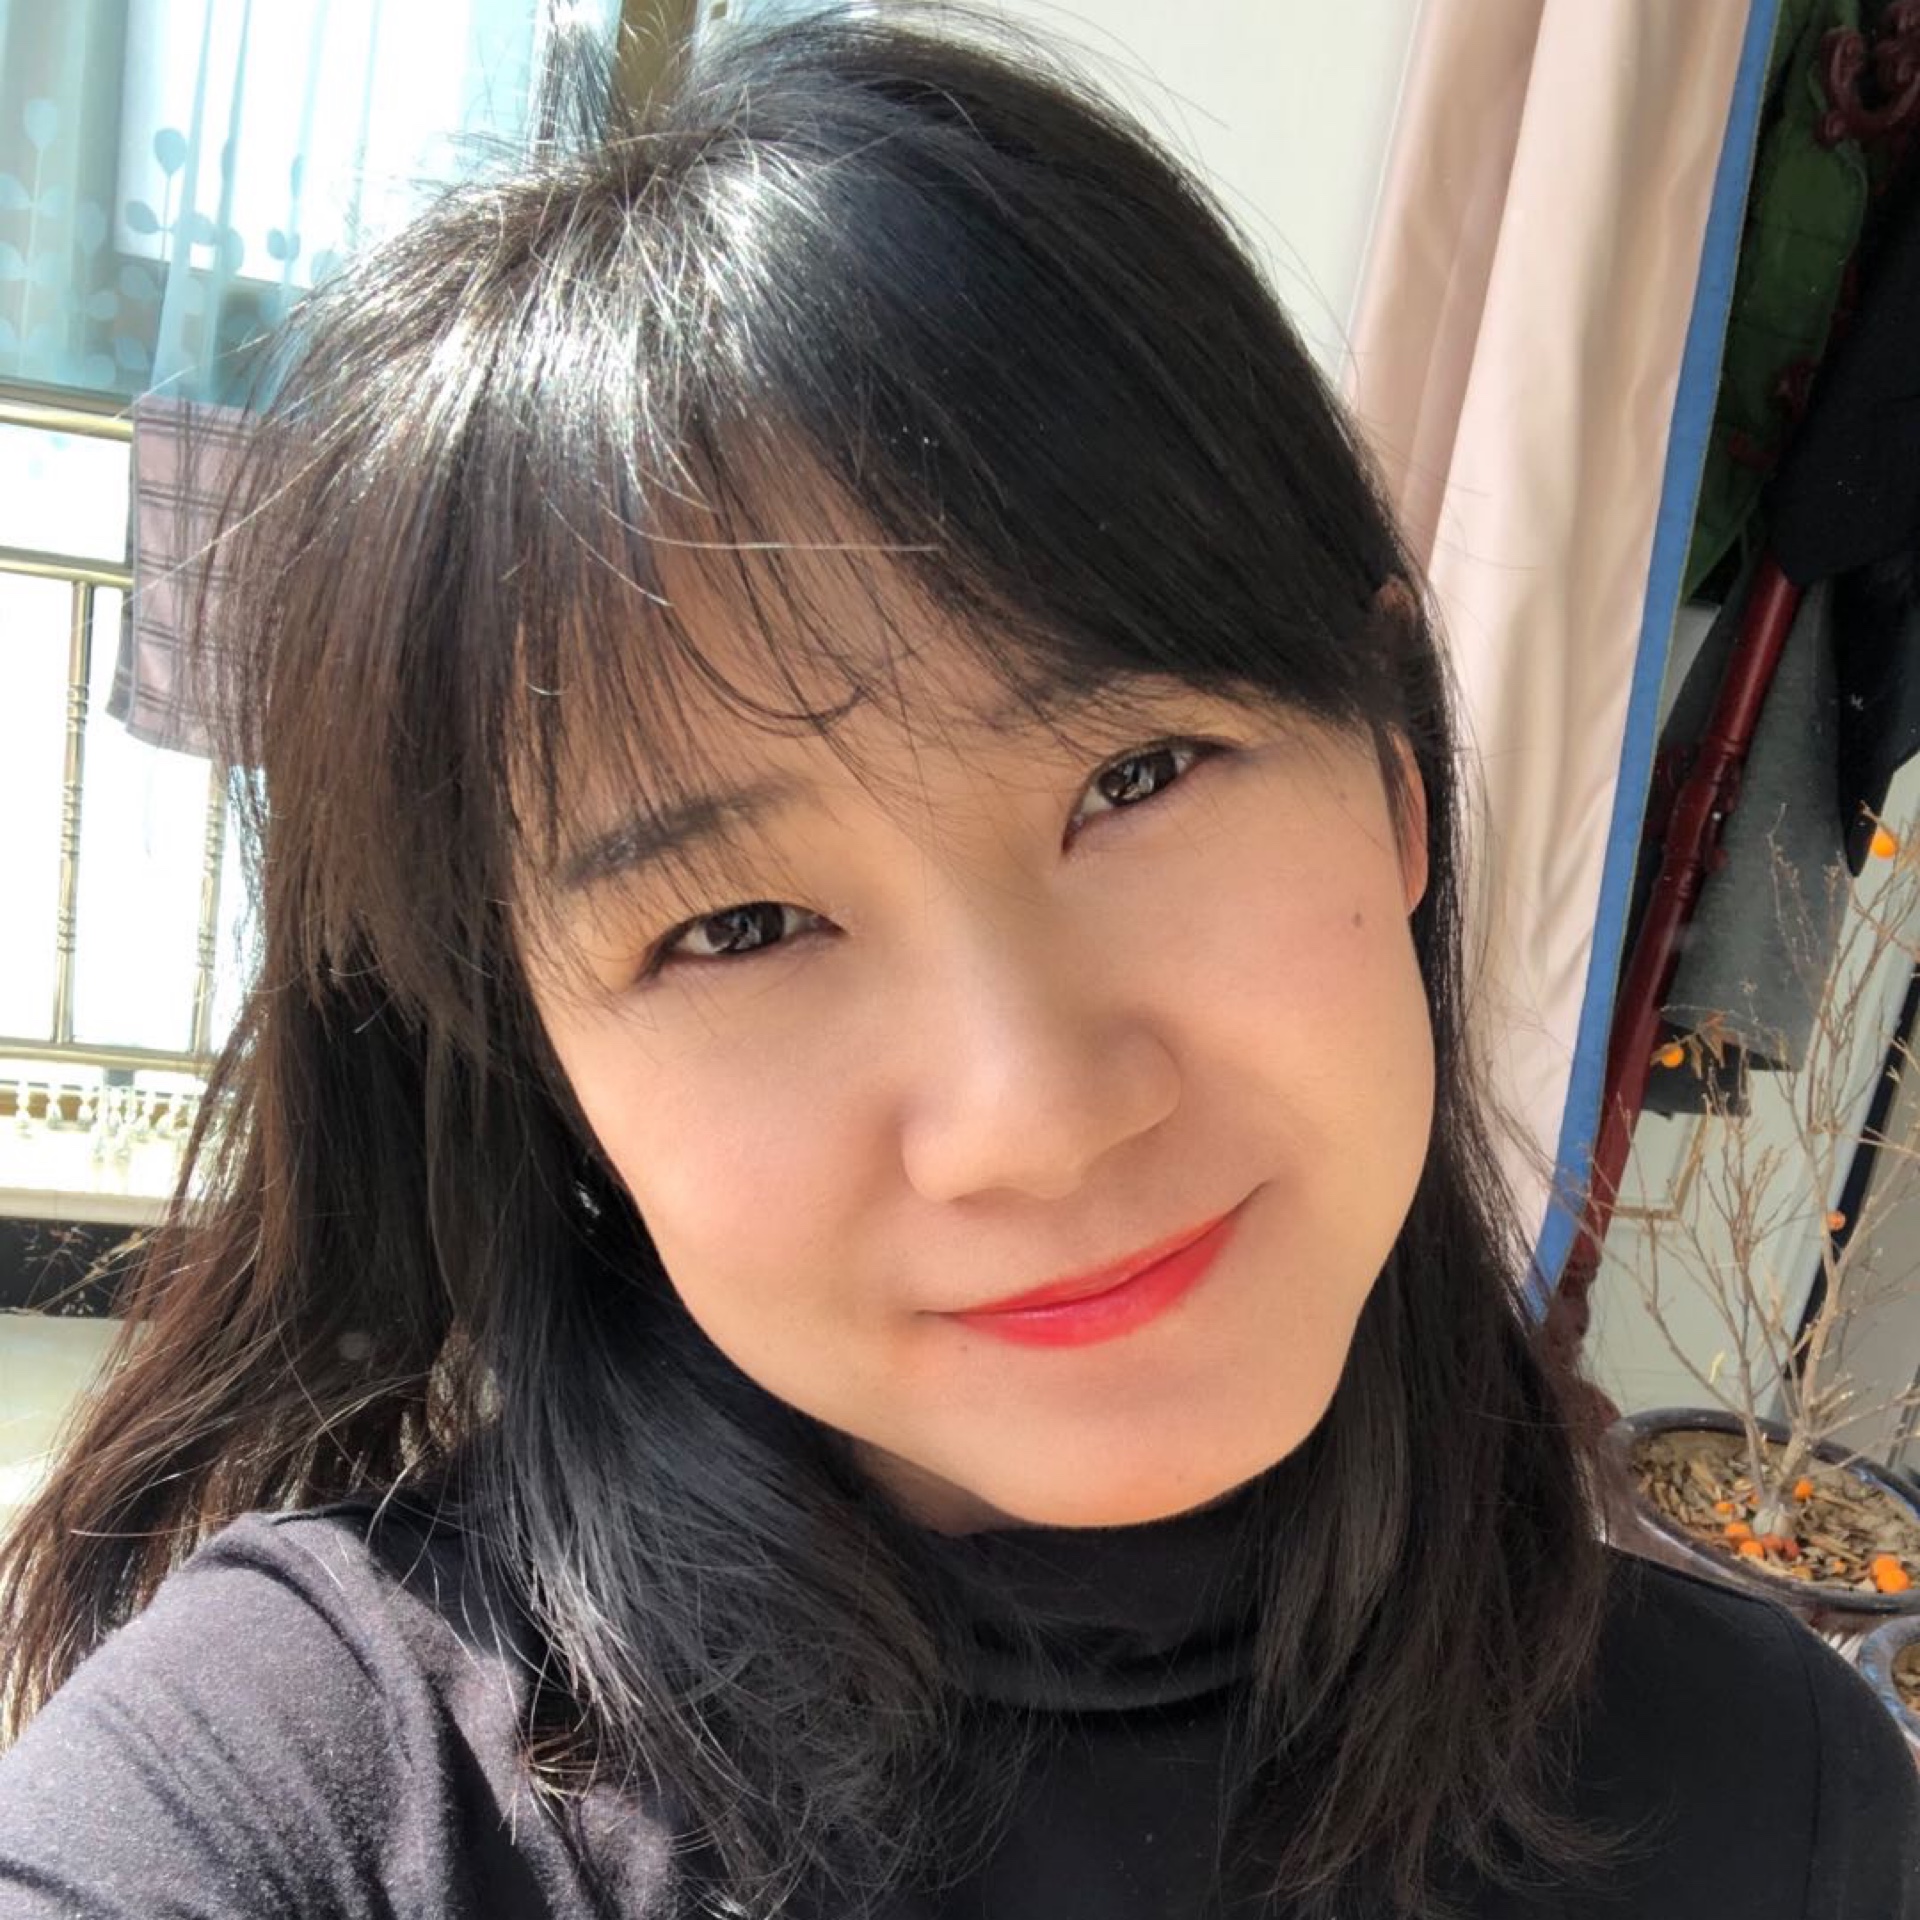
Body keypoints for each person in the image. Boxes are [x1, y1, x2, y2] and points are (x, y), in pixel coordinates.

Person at [0, 9, 1914, 1918]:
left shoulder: (1789, 1798)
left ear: (1396, 781)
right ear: (547, 1069)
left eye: (1136, 776)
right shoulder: (308, 1778)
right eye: (738, 926)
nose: (1038, 1117)